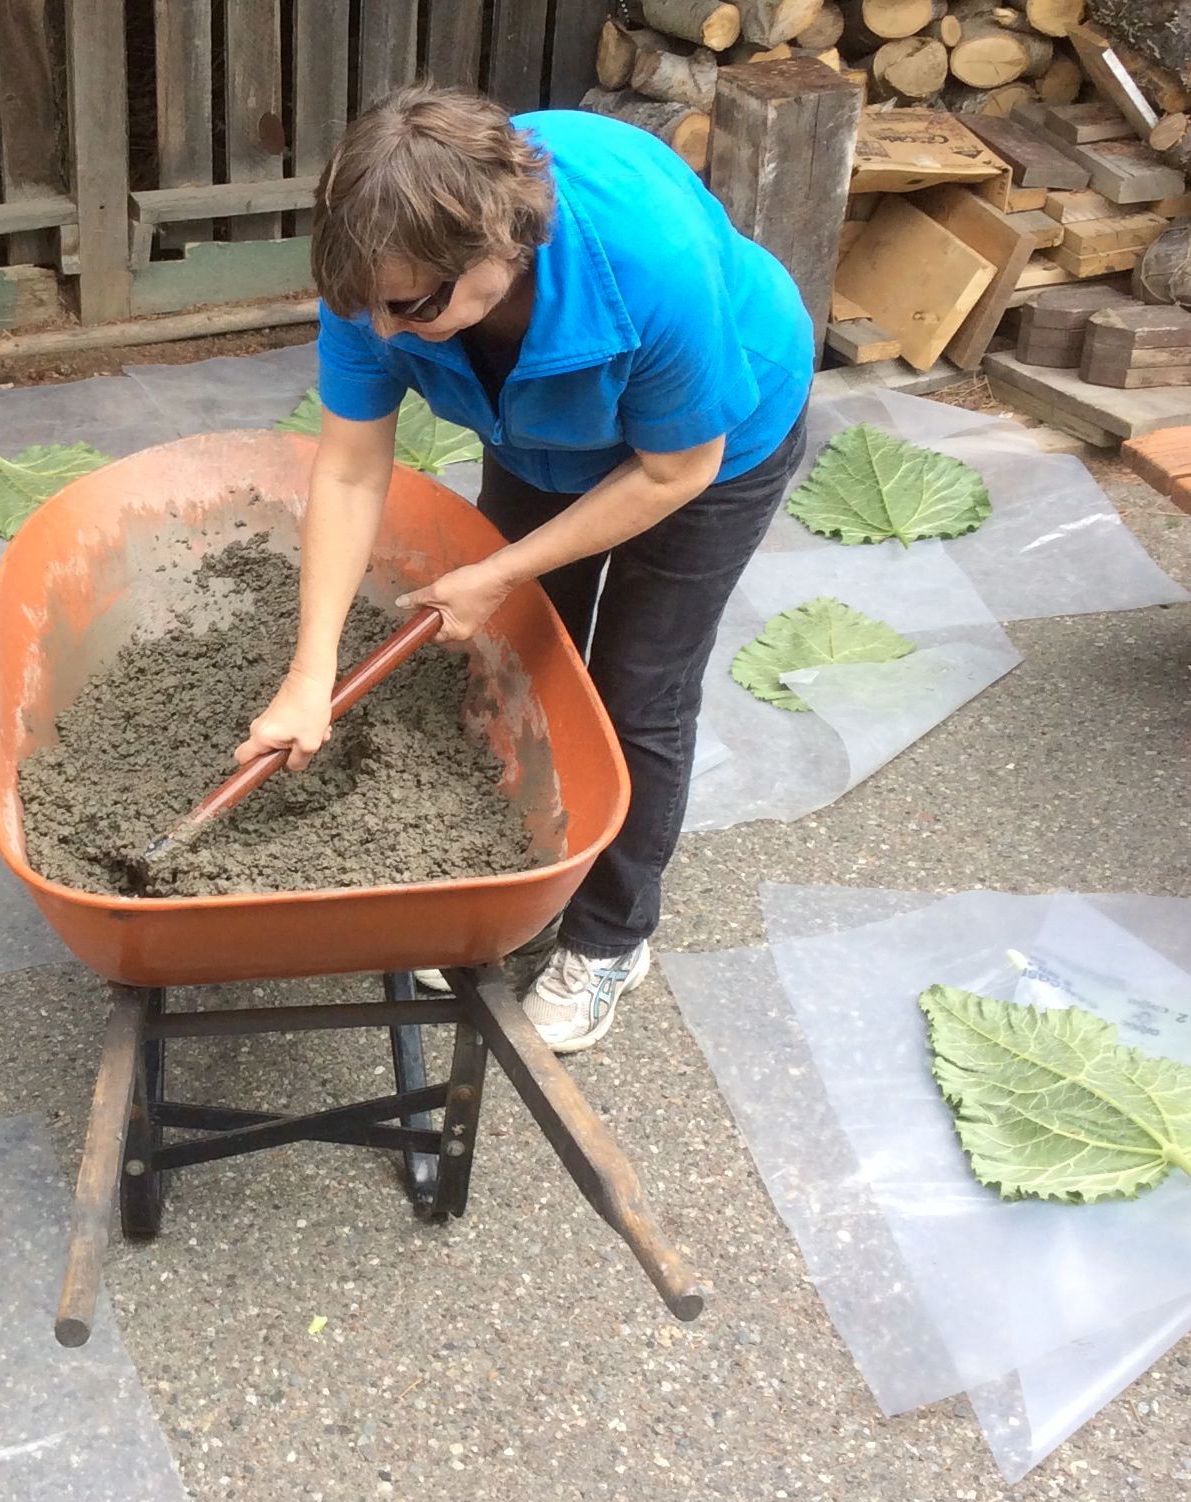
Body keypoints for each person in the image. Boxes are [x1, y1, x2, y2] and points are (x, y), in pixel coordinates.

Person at [235, 86, 813, 1052]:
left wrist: (500, 570)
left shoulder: (646, 264)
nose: (380, 332)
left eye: (411, 307)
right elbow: (344, 468)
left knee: (636, 692)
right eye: (361, 308)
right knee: (513, 660)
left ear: (502, 250)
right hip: (545, 432)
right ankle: (515, 888)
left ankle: (610, 936)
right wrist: (308, 679)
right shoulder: (381, 273)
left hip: (715, 442)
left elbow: (677, 468)